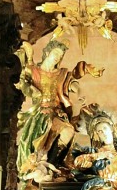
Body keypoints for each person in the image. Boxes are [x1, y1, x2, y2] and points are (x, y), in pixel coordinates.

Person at [16, 38, 103, 180]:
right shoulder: (33, 70)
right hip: (40, 113)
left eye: (59, 56)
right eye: (54, 54)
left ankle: (51, 164)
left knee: (68, 130)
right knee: (37, 141)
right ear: (47, 53)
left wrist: (80, 93)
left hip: (57, 113)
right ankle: (39, 165)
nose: (56, 58)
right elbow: (22, 82)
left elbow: (72, 83)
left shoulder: (61, 74)